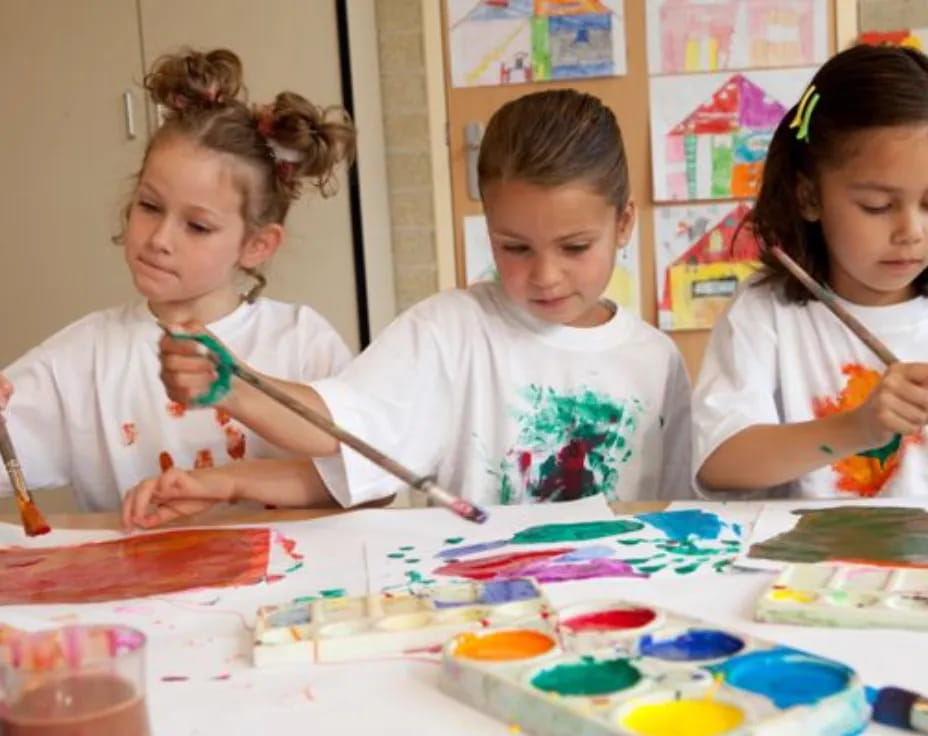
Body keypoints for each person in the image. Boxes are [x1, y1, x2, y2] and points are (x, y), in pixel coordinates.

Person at [124, 88, 693, 529]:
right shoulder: (449, 331)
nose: (544, 275)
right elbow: (340, 428)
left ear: (623, 224)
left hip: (621, 603)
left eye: (574, 247)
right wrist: (237, 387)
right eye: (513, 247)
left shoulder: (654, 359)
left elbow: (674, 511)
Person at [0, 48, 355, 510]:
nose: (160, 238)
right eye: (149, 206)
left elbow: (369, 481)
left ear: (257, 245)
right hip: (138, 581)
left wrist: (234, 477)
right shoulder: (81, 357)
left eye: (198, 226)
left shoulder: (302, 342)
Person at [694, 43, 928, 498]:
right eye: (877, 206)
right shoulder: (768, 311)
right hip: (810, 565)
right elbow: (719, 464)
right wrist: (857, 428)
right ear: (809, 197)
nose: (911, 232)